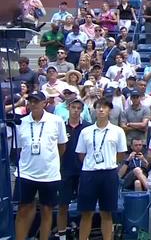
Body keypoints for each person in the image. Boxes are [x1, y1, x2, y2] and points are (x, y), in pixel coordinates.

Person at [14, 91, 67, 240]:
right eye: (31, 101)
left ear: (44, 103)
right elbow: (19, 148)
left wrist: (49, 160)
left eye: (36, 101)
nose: (33, 104)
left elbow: (62, 146)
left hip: (49, 173)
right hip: (25, 172)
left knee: (47, 210)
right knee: (23, 209)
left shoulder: (56, 121)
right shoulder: (22, 122)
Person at [76, 99, 127, 240]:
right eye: (98, 107)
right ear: (94, 110)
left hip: (109, 173)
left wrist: (110, 163)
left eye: (104, 107)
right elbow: (81, 154)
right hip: (89, 173)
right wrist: (91, 163)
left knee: (107, 212)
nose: (101, 110)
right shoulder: (86, 131)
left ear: (109, 110)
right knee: (86, 212)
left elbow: (121, 154)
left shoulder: (118, 131)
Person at [56, 99, 91, 240]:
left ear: (82, 110)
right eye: (73, 107)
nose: (75, 110)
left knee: (85, 207)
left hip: (84, 171)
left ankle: (84, 236)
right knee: (63, 205)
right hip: (65, 170)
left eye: (78, 108)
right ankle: (62, 236)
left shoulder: (88, 128)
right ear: (68, 108)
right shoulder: (61, 127)